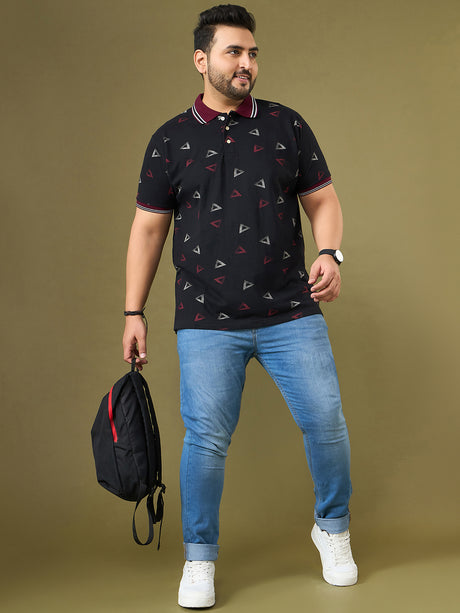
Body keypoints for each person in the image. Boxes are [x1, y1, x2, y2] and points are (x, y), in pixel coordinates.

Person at [123, 4, 357, 608]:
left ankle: (332, 529)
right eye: (233, 52)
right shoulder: (169, 139)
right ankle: (199, 558)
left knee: (326, 422)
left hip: (290, 311)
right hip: (205, 318)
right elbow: (148, 230)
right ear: (201, 60)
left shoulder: (286, 126)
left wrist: (330, 253)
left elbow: (323, 201)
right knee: (205, 440)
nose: (246, 62)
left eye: (252, 53)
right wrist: (133, 313)